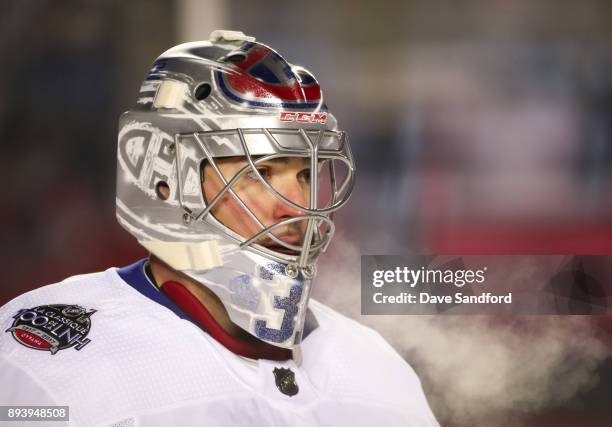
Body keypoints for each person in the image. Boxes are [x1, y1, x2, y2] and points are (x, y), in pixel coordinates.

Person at [0, 30, 439, 426]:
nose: (298, 208)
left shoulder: (378, 370)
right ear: (164, 176)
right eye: (260, 172)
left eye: (306, 175)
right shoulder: (50, 361)